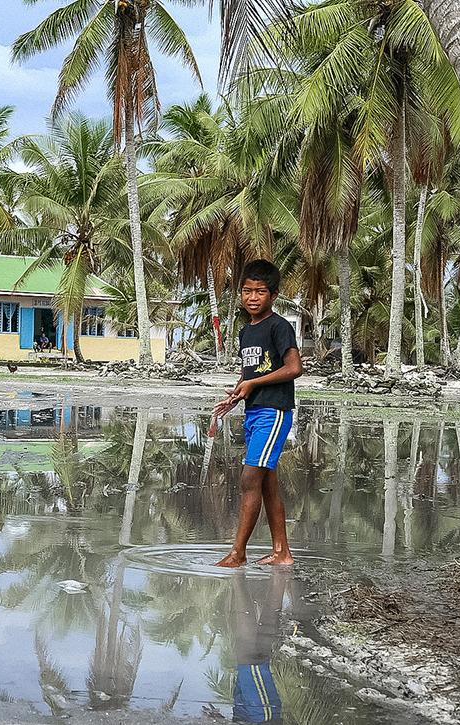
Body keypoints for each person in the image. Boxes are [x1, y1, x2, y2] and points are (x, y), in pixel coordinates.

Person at [211, 260, 303, 567]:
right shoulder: (245, 332)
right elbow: (248, 372)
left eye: (260, 291)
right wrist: (236, 397)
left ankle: (238, 554)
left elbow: (294, 368)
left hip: (274, 412)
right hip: (253, 413)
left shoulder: (280, 327)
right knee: (266, 484)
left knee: (249, 479)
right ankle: (282, 553)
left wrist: (252, 383)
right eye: (247, 291)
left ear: (273, 295)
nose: (252, 297)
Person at [229, 569, 289, 722]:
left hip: (244, 714)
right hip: (262, 718)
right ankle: (278, 572)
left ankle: (240, 575)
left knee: (248, 659)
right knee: (251, 661)